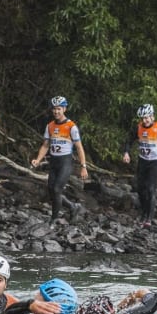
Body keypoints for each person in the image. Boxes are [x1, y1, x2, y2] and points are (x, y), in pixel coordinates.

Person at [31, 96, 89, 225]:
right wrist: (38, 159)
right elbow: (46, 145)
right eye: (54, 109)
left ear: (64, 109)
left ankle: (54, 218)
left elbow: (79, 147)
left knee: (57, 189)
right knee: (52, 191)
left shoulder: (71, 126)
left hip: (66, 163)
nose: (56, 112)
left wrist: (83, 166)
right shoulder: (50, 126)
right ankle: (73, 207)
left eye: (58, 109)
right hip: (54, 162)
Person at [122, 103, 157, 228]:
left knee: (150, 189)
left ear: (152, 116)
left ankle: (149, 218)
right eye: (143, 118)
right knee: (140, 189)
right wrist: (126, 152)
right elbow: (129, 140)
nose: (145, 120)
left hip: (155, 163)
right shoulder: (138, 128)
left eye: (147, 117)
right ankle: (143, 213)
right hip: (142, 162)